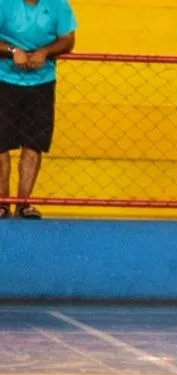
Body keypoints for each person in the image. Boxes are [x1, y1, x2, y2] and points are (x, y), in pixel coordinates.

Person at [0, 0, 77, 220]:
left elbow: (68, 41)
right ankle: (3, 204)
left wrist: (44, 52)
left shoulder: (59, 5)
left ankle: (23, 204)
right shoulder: (4, 4)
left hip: (42, 83)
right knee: (0, 143)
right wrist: (12, 50)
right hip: (3, 80)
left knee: (34, 143)